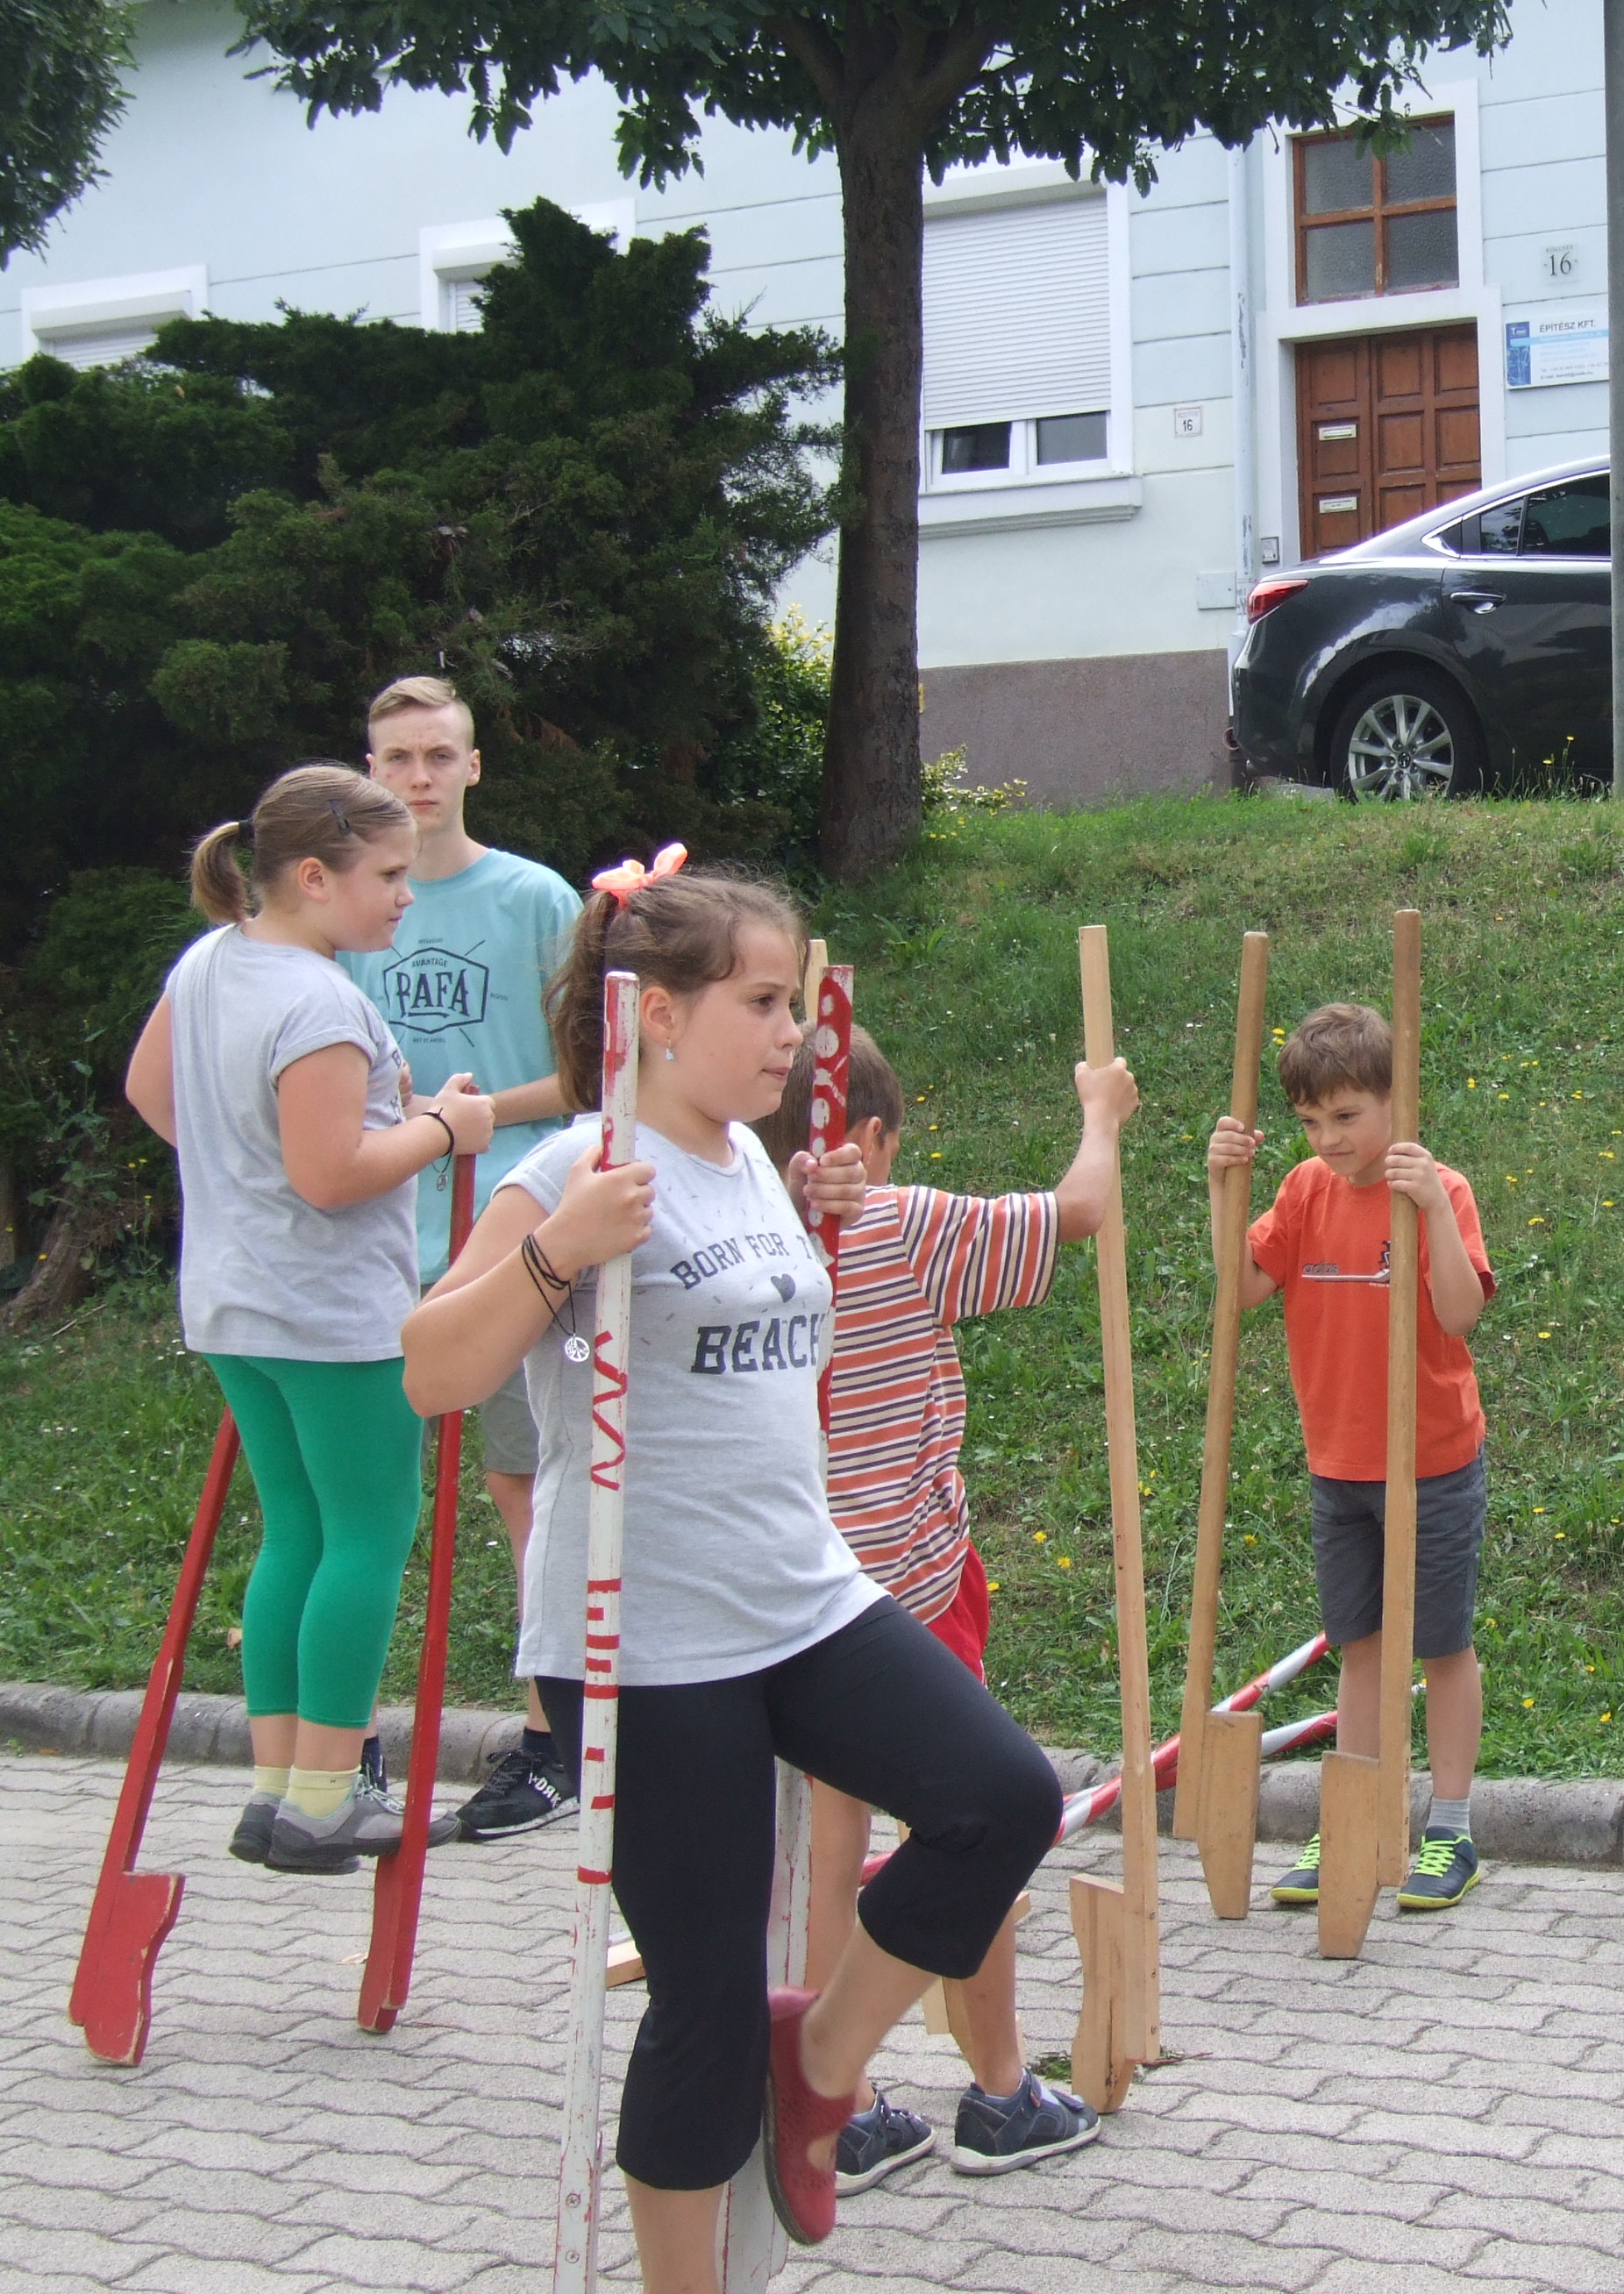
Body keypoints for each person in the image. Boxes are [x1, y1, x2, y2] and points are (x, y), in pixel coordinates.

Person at [401, 858, 1070, 2283]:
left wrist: (813, 1211)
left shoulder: (754, 1162)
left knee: (1002, 1797)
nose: (794, 1032)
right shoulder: (575, 1172)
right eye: (762, 1003)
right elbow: (431, 1370)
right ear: (656, 1015)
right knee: (700, 2002)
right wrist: (556, 1257)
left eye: (794, 1002)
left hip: (803, 1596)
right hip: (647, 1638)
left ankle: (817, 2064)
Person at [751, 1022, 1130, 2191]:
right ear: (866, 1139)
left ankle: (845, 2103)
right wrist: (1101, 1113)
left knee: (831, 1846)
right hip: (913, 1590)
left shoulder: (753, 1241)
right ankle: (1001, 2089)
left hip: (807, 1596)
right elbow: (1076, 1209)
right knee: (970, 1830)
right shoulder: (902, 1225)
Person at [121, 765, 495, 1873]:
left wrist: (245, 1163)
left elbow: (152, 1094)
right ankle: (328, 1799)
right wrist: (446, 1129)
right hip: (331, 1313)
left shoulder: (210, 962)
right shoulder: (320, 1000)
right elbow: (331, 1175)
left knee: (296, 1531)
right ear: (317, 878)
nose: (405, 896)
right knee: (369, 1534)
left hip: (233, 1301)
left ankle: (279, 1784)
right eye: (388, 875)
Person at [335, 674, 587, 1842]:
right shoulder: (354, 909)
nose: (420, 778)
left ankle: (554, 1739)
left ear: (474, 765)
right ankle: (343, 1744)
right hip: (388, 1230)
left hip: (517, 1225)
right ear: (369, 770)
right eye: (398, 758)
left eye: (439, 755)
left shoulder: (533, 898)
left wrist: (469, 1120)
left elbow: (594, 1066)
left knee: (528, 1481)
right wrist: (416, 1127)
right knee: (368, 1500)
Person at [1206, 1001, 1493, 1914]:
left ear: (1395, 1102)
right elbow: (1241, 1289)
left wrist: (1428, 1208)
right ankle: (1355, 1818)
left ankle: (1450, 1827)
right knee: (1359, 1646)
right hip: (1339, 1464)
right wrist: (1222, 1189)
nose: (1328, 1139)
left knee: (1440, 1644)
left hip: (1432, 1462)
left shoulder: (1440, 1189)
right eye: (1309, 1121)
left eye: (1346, 1116)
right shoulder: (1302, 1192)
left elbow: (1459, 1314)